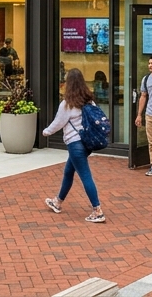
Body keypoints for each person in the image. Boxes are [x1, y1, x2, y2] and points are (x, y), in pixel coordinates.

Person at [42, 68, 105, 223]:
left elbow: (58, 123)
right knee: (68, 172)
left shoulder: (67, 104)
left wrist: (45, 132)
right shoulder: (89, 100)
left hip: (75, 144)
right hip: (86, 143)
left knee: (85, 176)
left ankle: (97, 211)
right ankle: (57, 202)